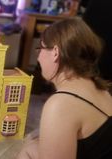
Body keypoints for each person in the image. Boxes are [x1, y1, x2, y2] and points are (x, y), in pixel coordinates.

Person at [17, 17, 112, 159]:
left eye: (40, 48)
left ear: (55, 52)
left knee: (27, 150)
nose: (38, 58)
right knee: (33, 144)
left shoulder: (60, 105)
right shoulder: (101, 89)